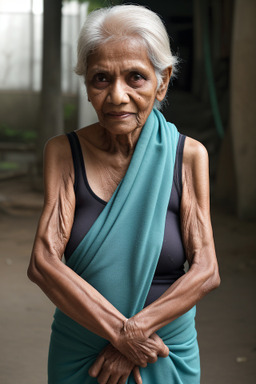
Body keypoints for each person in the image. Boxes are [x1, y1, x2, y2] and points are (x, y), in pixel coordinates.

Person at [28, 4, 220, 384]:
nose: (117, 96)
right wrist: (121, 335)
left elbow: (206, 270)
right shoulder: (63, 153)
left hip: (163, 348)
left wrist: (132, 336)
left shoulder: (189, 156)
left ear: (162, 82)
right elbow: (44, 263)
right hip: (83, 352)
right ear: (86, 86)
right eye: (101, 79)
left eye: (136, 77)